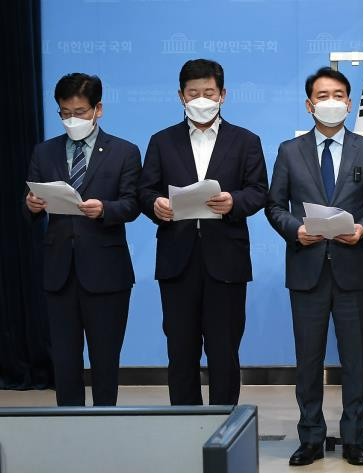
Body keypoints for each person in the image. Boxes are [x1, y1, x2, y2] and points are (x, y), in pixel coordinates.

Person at [266, 67, 363, 466]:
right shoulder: (290, 150)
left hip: (352, 267)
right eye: (323, 96)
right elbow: (274, 206)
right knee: (308, 360)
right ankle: (311, 438)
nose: (331, 102)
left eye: (339, 95)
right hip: (306, 268)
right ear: (309, 104)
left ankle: (354, 436)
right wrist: (295, 229)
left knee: (355, 359)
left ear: (350, 102)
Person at [138, 59, 268, 406]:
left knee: (224, 351)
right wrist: (156, 205)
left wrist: (233, 201)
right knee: (181, 351)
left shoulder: (245, 141)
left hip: (226, 258)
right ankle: (185, 427)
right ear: (181, 96)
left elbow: (258, 191)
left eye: (208, 92)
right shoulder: (162, 141)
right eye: (193, 93)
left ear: (223, 94)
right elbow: (144, 190)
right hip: (177, 259)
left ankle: (225, 429)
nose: (201, 99)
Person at [25, 73, 141, 406]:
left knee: (105, 360)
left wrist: (104, 208)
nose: (73, 119)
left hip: (107, 273)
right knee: (65, 361)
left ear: (98, 109)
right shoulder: (44, 153)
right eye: (65, 113)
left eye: (80, 111)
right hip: (59, 272)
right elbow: (30, 204)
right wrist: (31, 206)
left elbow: (133, 204)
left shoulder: (124, 151)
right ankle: (69, 428)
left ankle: (105, 428)